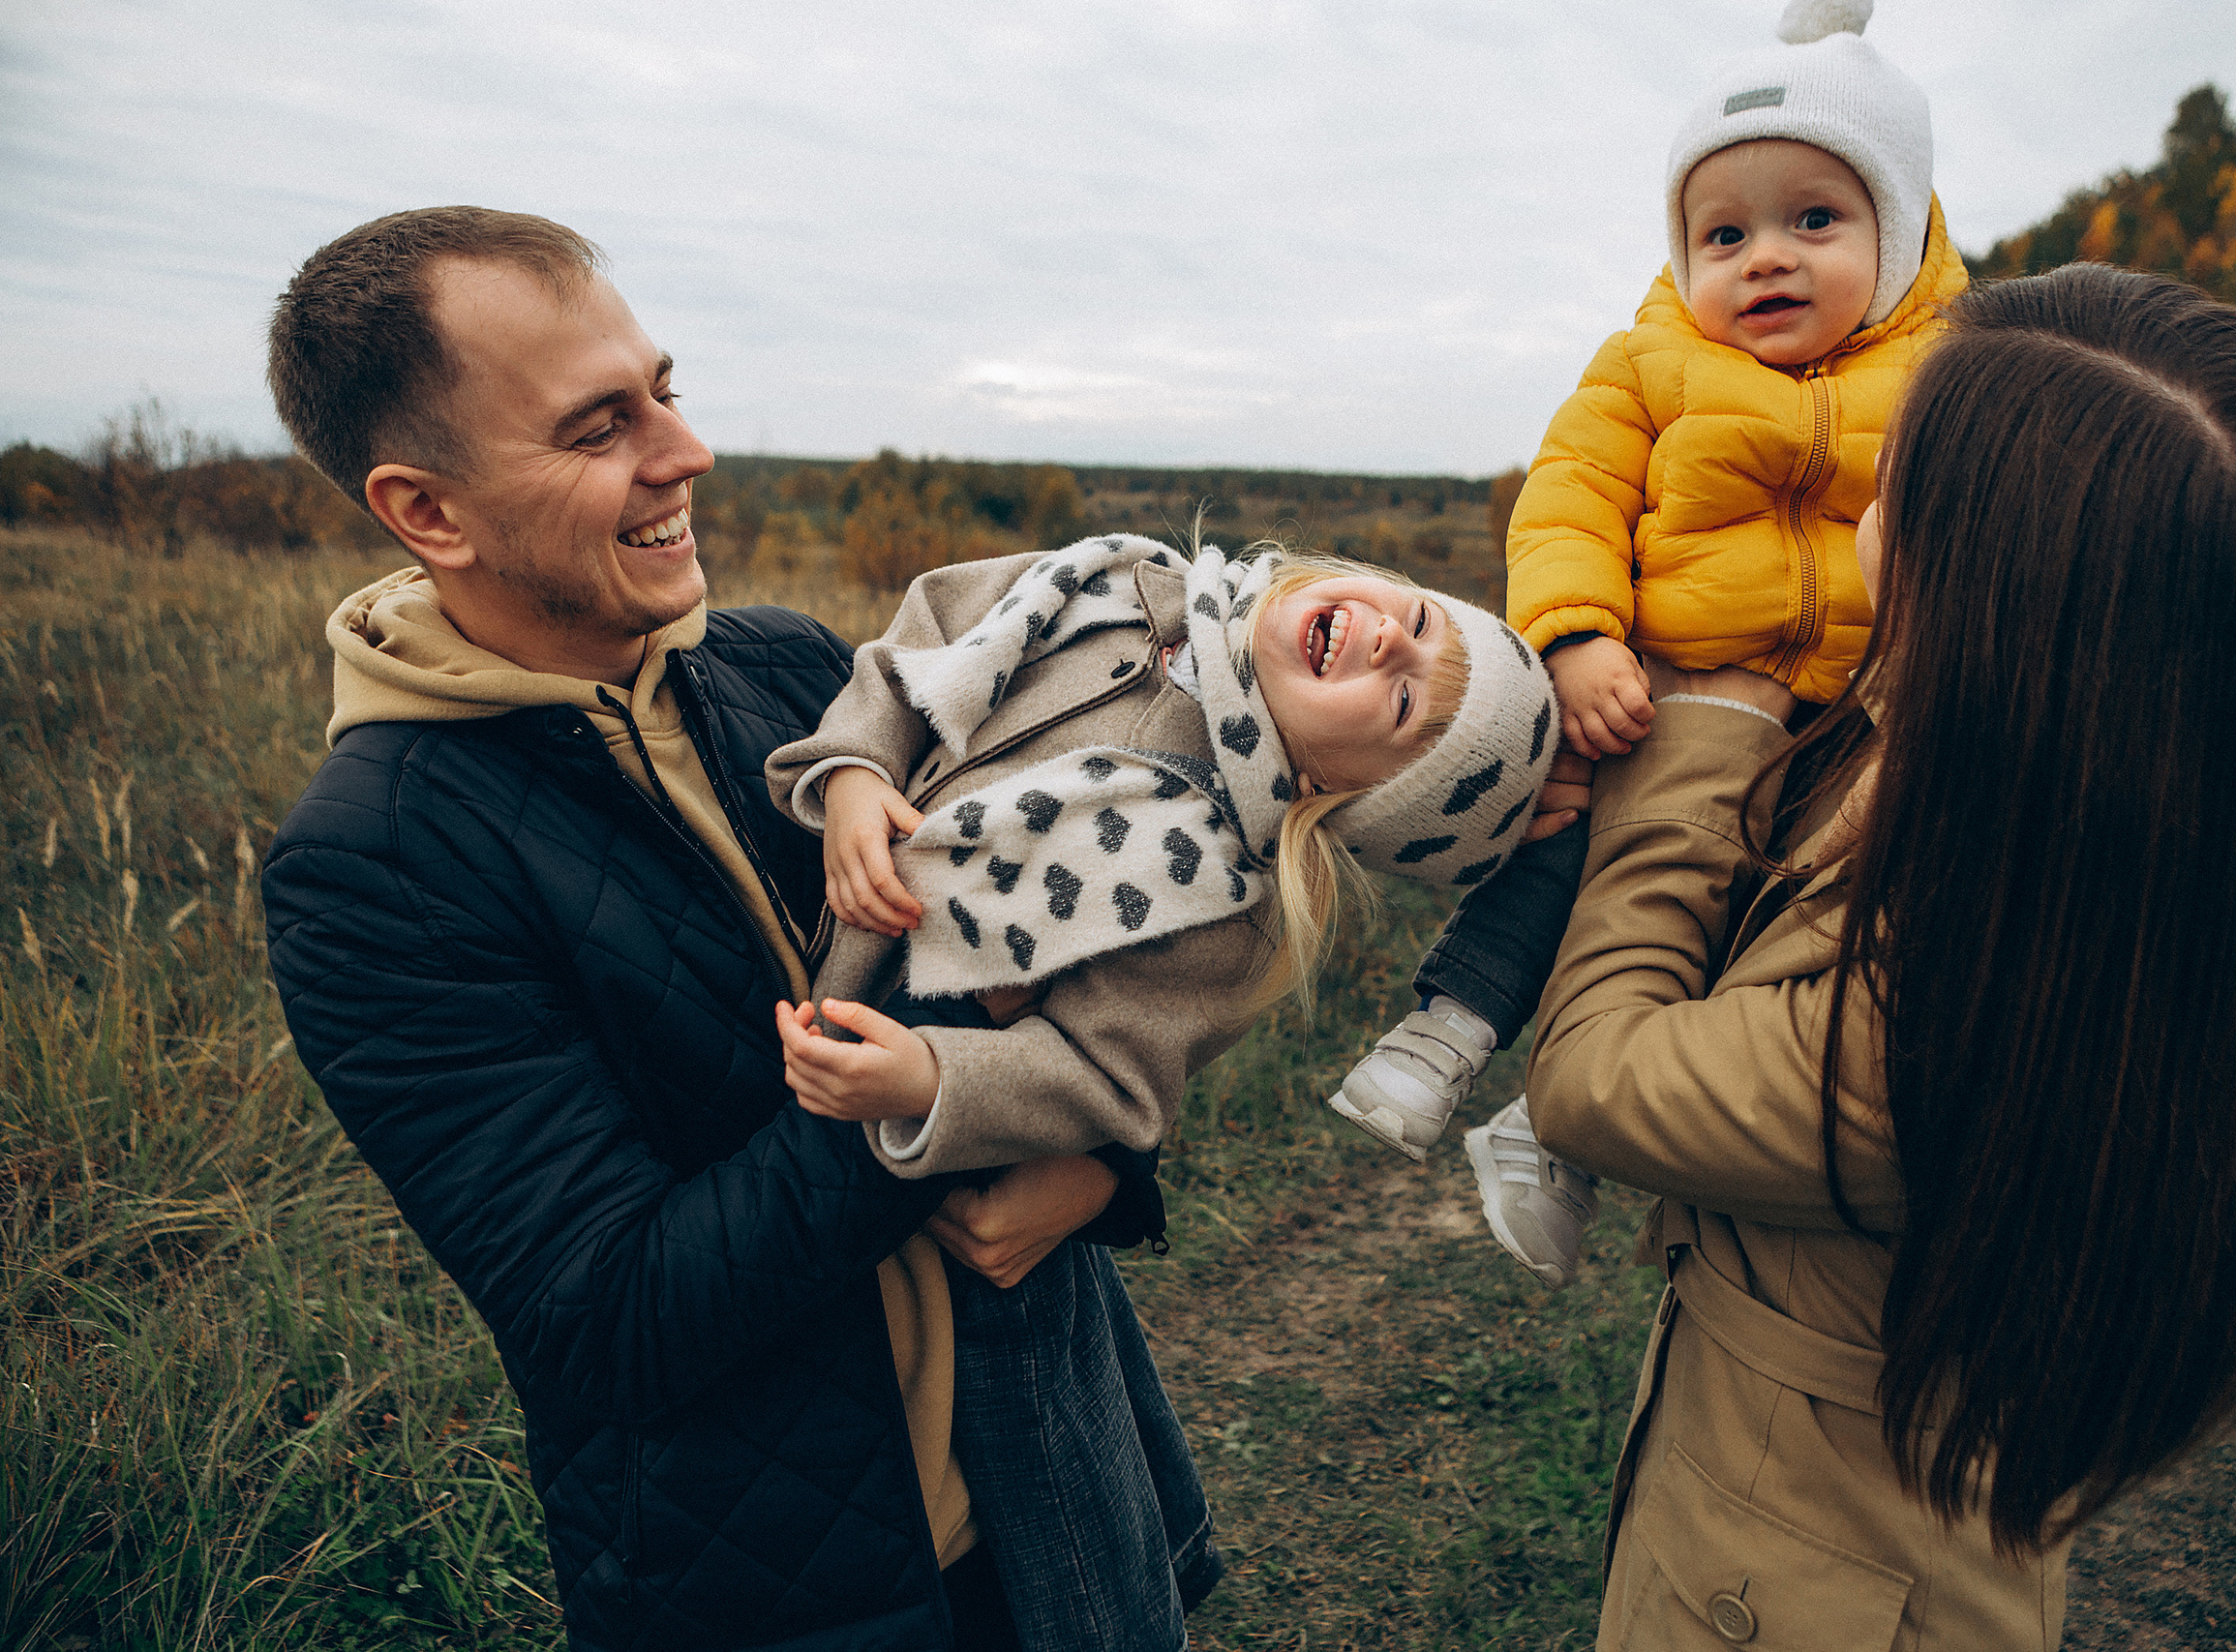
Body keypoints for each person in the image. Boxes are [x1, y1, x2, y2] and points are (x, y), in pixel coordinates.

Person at [258, 206, 1186, 1651]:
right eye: (596, 426)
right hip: (796, 1586)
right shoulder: (376, 860)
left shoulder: (795, 671)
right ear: (428, 511)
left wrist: (1103, 1158)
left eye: (667, 389)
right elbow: (612, 1312)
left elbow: (1090, 966)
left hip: (1055, 1482)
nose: (684, 452)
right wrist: (950, 1080)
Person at [1524, 262, 2236, 1648]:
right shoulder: (2122, 833)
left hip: (1805, 1600)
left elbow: (1592, 1076)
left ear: (2003, 607)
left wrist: (1704, 715)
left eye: (1891, 495)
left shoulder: (1943, 1021)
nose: (1856, 524)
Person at [1323, 0, 1968, 1292]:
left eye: (1814, 222)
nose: (1764, 259)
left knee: (1759, 927)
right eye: (1723, 234)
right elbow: (1568, 499)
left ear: (1899, 236)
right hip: (1669, 678)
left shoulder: (1957, 370)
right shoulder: (1649, 362)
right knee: (1631, 858)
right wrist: (1574, 633)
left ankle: (1548, 1136)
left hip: (1847, 705)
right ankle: (1457, 1032)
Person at [762, 536, 1562, 1179]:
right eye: (1422, 622)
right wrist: (855, 770)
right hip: (772, 901)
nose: (1392, 641)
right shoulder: (1124, 580)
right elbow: (932, 629)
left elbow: (1104, 1080)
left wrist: (933, 1077)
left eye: (1403, 701)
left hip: (835, 1053)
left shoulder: (1217, 895)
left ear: (1335, 792)